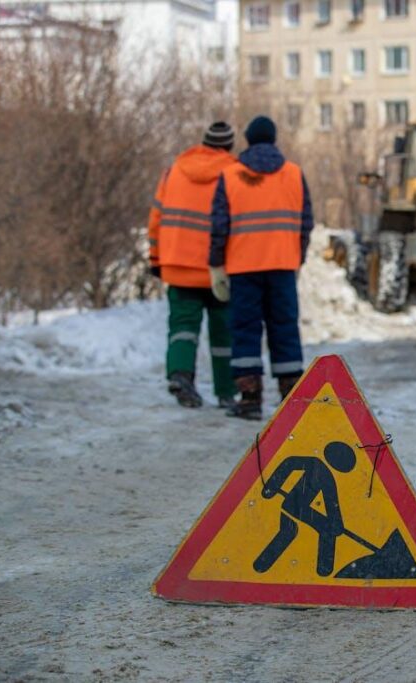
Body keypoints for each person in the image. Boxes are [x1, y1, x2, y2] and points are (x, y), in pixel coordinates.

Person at [209, 116, 313, 421]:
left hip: (243, 267)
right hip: (282, 264)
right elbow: (306, 223)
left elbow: (219, 226)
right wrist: (298, 258)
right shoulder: (293, 174)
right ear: (274, 138)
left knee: (244, 330)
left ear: (249, 139)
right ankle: (291, 397)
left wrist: (216, 264)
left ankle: (250, 398)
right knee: (285, 328)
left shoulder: (230, 176)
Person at [147, 122, 238, 409]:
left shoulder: (174, 171)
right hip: (219, 269)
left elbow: (156, 218)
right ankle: (226, 391)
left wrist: (155, 257)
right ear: (229, 146)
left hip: (178, 263)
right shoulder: (235, 173)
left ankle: (181, 376)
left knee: (182, 327)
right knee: (224, 331)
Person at [253, 442, 356, 577]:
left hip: (292, 505)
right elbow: (289, 463)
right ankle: (324, 568)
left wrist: (272, 487)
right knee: (324, 530)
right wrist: (271, 487)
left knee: (289, 532)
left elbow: (331, 504)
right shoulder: (320, 470)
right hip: (295, 506)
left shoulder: (321, 470)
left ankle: (260, 565)